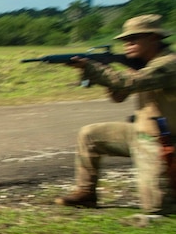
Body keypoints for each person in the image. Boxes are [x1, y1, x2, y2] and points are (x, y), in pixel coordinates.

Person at [55, 14, 176, 222]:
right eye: (125, 41)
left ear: (154, 38)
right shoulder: (144, 64)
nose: (127, 44)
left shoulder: (168, 64)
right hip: (141, 134)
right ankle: (86, 193)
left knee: (157, 209)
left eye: (134, 39)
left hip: (163, 140)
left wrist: (92, 68)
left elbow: (127, 84)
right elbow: (119, 96)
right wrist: (106, 72)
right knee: (90, 135)